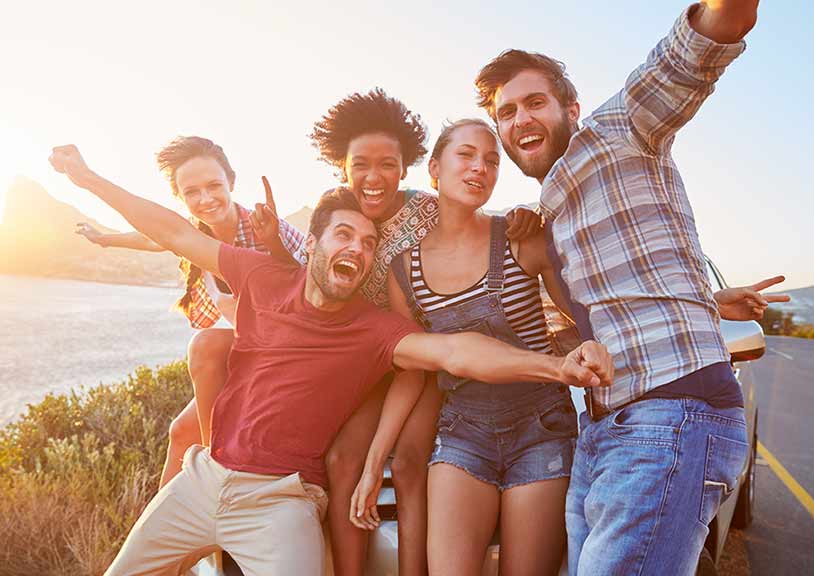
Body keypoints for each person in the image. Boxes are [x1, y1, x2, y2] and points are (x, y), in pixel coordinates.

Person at [48, 144, 614, 575]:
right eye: (344, 235)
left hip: (280, 501)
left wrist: (557, 368)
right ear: (313, 243)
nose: (358, 250)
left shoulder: (374, 330)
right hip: (202, 480)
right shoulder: (260, 275)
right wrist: (88, 178)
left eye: (369, 245)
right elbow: (171, 231)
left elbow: (456, 351)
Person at [474, 2, 789, 574]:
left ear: (571, 107)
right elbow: (588, 325)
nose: (520, 118)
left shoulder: (621, 128)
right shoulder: (542, 215)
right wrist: (541, 262)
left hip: (672, 418)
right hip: (598, 433)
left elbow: (705, 41)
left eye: (535, 102)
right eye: (506, 111)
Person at [306, 88, 543, 575]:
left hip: (432, 360)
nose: (375, 178)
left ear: (410, 166)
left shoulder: (427, 209)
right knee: (343, 459)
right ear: (342, 167)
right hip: (375, 368)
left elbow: (476, 224)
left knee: (412, 458)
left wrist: (519, 218)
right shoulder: (339, 219)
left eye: (388, 164)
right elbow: (301, 265)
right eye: (361, 165)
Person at [349, 118, 582, 575]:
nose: (480, 168)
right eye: (467, 156)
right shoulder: (404, 270)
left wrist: (704, 304)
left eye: (492, 161)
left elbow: (589, 309)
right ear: (434, 169)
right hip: (463, 431)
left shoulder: (520, 237)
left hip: (542, 426)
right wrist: (374, 461)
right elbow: (413, 370)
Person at [74, 136, 306, 488]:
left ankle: (215, 472)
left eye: (214, 186)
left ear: (231, 182)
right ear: (180, 198)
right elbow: (153, 238)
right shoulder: (194, 233)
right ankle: (160, 536)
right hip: (251, 348)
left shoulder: (267, 228)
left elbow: (316, 286)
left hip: (293, 353)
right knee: (181, 432)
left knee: (207, 345)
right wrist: (105, 239)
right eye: (192, 192)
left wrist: (275, 243)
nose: (205, 199)